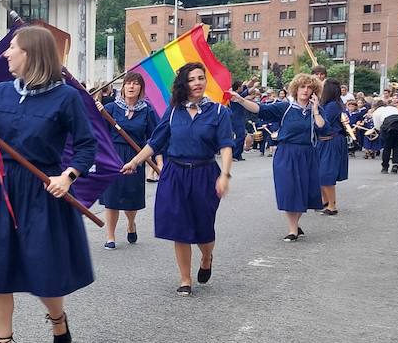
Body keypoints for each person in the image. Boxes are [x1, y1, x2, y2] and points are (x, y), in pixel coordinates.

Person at [0, 24, 96, 343]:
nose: (6, 54)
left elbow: (86, 146)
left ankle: (57, 318)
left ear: (32, 54)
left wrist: (67, 177)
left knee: (44, 269)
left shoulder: (66, 98)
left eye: (13, 48)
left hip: (42, 190)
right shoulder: (0, 92)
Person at [123, 62, 235, 294]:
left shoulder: (219, 112)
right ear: (184, 84)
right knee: (180, 227)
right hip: (175, 173)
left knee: (204, 227)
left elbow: (225, 145)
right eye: (192, 79)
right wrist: (135, 161)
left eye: (200, 78)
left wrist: (224, 174)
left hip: (205, 174)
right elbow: (155, 142)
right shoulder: (173, 112)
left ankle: (206, 257)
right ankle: (185, 279)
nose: (197, 83)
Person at [229, 74, 323, 240]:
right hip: (286, 153)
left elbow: (322, 128)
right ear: (296, 89)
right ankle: (292, 229)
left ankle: (296, 224)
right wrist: (241, 100)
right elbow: (260, 109)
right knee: (288, 190)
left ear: (314, 91)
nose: (305, 90)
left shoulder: (316, 110)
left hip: (308, 154)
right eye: (302, 86)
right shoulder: (285, 107)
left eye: (309, 87)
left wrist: (315, 110)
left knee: (303, 192)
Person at [99, 73, 158, 250]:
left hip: (136, 156)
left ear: (141, 88)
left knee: (131, 198)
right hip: (113, 155)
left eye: (135, 84)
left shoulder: (147, 110)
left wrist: (156, 158)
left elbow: (155, 136)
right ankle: (110, 236)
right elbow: (98, 131)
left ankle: (131, 223)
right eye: (128, 83)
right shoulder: (110, 108)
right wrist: (95, 110)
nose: (131, 87)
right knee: (111, 198)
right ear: (123, 87)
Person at [315, 78, 353, 215]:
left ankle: (332, 205)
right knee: (320, 172)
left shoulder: (332, 106)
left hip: (331, 140)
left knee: (326, 173)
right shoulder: (332, 104)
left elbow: (323, 124)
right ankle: (325, 201)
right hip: (325, 141)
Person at [369, 99, 398, 174]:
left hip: (389, 126)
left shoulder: (376, 112)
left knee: (387, 147)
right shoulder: (392, 108)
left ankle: (385, 167)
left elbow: (377, 126)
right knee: (397, 146)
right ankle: (395, 165)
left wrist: (381, 133)